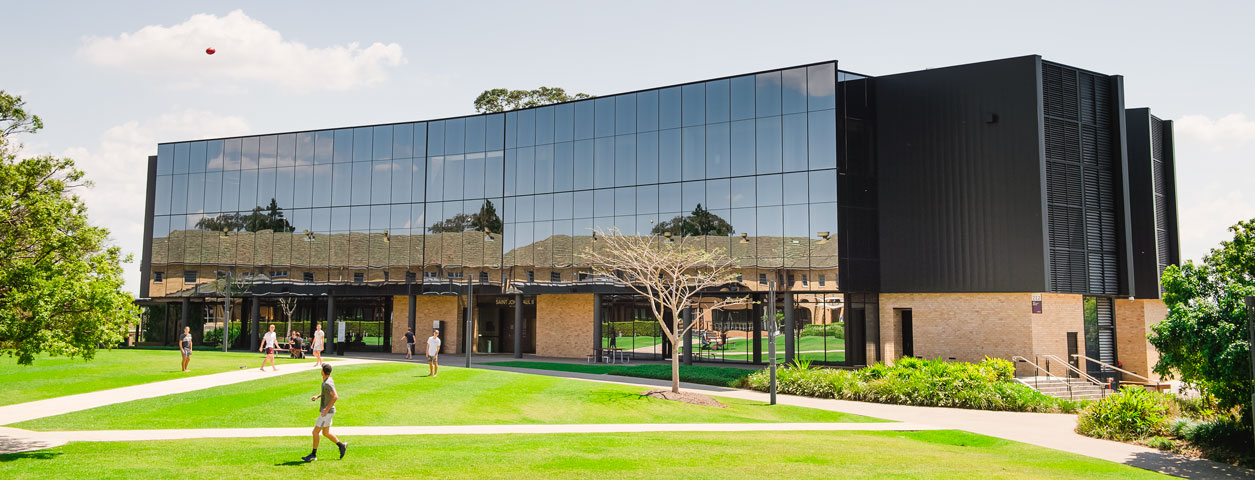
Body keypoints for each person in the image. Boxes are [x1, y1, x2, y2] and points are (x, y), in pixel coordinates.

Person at [302, 363, 347, 462]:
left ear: (323, 372)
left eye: (322, 369)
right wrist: (317, 396)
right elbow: (326, 392)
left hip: (327, 412)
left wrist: (326, 409)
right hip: (329, 412)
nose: (320, 370)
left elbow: (335, 396)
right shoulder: (328, 380)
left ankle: (313, 454)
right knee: (326, 432)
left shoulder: (328, 383)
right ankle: (341, 446)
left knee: (315, 432)